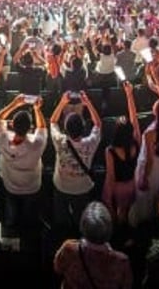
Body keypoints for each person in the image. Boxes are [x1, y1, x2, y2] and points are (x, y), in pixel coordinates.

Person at [50, 89, 103, 240]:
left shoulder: (60, 141)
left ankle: (63, 238)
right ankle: (79, 237)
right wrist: (87, 103)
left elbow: (53, 121)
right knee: (81, 217)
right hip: (83, 187)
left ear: (65, 128)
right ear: (83, 127)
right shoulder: (90, 142)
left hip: (61, 185)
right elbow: (98, 124)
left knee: (61, 217)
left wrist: (62, 103)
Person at [0, 94, 48, 236]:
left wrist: (14, 103)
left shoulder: (2, 139)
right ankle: (27, 233)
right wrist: (37, 109)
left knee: (11, 209)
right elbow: (42, 127)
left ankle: (11, 228)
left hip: (10, 185)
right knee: (29, 213)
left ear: (11, 124)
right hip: (32, 187)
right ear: (30, 128)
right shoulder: (36, 145)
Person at [53, 202, 133, 289]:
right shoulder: (121, 261)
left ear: (83, 226)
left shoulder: (68, 249)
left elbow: (58, 268)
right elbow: (126, 285)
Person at [131, 98, 159, 227]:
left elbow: (150, 159)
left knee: (145, 199)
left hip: (151, 168)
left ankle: (144, 226)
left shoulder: (150, 133)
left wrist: (144, 177)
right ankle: (156, 223)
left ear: (158, 111)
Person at [102, 82, 141, 231]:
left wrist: (108, 197)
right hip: (132, 185)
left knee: (117, 216)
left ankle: (119, 234)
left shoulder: (110, 151)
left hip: (118, 188)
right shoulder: (137, 143)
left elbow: (110, 177)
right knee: (128, 214)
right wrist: (129, 95)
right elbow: (135, 121)